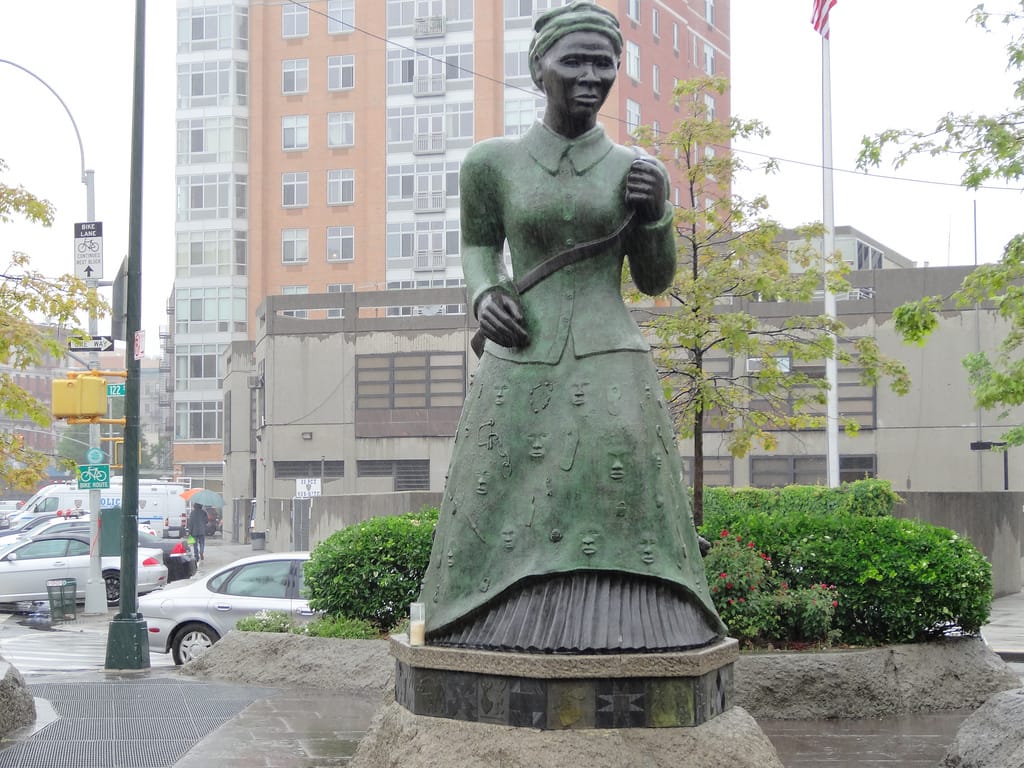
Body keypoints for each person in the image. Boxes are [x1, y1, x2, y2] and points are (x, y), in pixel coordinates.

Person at [418, 1, 726, 653]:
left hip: (611, 354)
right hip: (519, 351)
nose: (591, 75)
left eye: (604, 62)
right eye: (574, 61)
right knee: (495, 497)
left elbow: (653, 280)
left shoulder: (636, 169)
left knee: (621, 496)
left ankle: (639, 629)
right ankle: (482, 628)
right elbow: (478, 247)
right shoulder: (490, 164)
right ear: (538, 69)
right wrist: (484, 295)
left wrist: (657, 215)